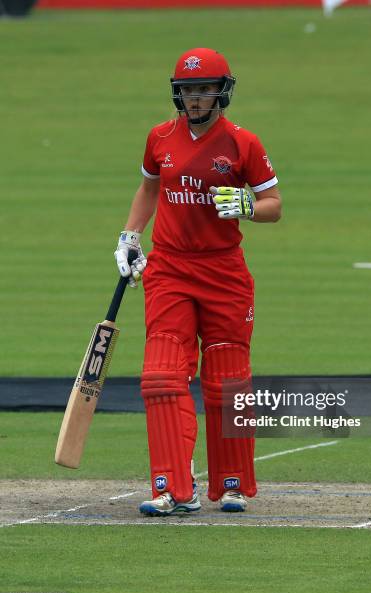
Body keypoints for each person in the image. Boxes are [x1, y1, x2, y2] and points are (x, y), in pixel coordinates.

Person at [114, 47, 282, 516]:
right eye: (187, 90)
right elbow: (150, 187)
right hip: (169, 267)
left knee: (228, 378)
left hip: (224, 271)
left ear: (221, 92)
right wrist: (130, 236)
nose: (194, 98)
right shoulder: (160, 137)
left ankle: (232, 485)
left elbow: (274, 205)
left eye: (203, 89)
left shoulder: (242, 143)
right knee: (162, 376)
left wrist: (248, 206)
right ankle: (171, 487)